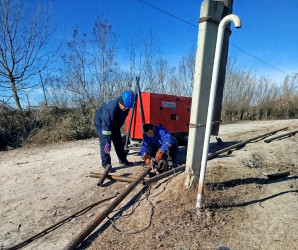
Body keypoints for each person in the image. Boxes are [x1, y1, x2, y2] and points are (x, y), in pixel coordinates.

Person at [94, 90, 135, 169]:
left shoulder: (126, 108)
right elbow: (106, 126)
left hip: (114, 123)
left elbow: (119, 121)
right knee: (105, 142)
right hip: (102, 122)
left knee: (118, 140)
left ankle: (122, 160)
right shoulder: (111, 109)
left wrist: (116, 131)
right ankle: (106, 165)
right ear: (121, 102)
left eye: (128, 107)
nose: (126, 108)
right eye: (125, 106)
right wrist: (107, 140)